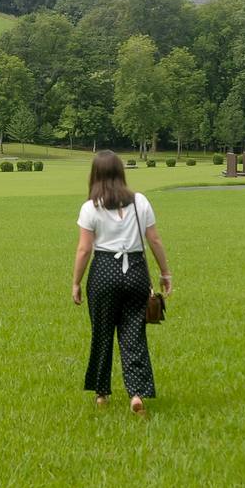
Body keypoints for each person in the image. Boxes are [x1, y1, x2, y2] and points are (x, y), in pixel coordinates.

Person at [72, 150, 172, 415]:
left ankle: (102, 394)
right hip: (136, 271)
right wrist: (165, 274)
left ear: (95, 174)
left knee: (102, 334)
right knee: (133, 335)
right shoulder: (140, 201)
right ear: (121, 172)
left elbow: (84, 249)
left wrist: (76, 283)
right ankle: (136, 393)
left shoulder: (90, 207)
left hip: (104, 271)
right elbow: (155, 241)